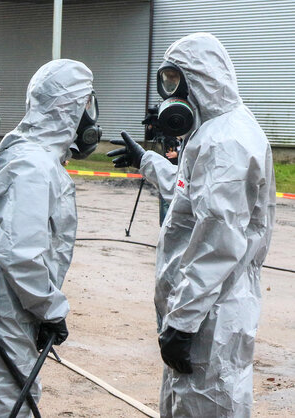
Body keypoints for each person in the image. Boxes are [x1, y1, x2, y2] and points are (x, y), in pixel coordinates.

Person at [108, 33, 275, 417]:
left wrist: (182, 323)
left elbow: (217, 243)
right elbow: (190, 196)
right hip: (202, 309)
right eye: (166, 81)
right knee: (188, 402)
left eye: (175, 80)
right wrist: (147, 162)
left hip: (211, 314)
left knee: (209, 403)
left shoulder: (226, 142)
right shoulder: (215, 129)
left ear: (200, 78)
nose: (171, 92)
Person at [0, 59, 98, 417]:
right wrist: (50, 310)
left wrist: (40, 314)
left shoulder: (31, 155)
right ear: (69, 107)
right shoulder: (33, 166)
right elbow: (19, 253)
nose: (90, 116)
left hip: (1, 313)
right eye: (87, 103)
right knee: (2, 410)